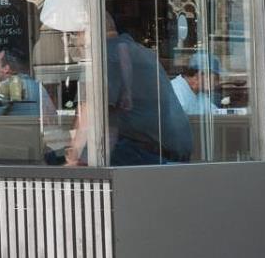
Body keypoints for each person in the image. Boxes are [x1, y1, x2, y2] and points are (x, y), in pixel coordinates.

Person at [66, 15, 192, 167]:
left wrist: (73, 155)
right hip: (173, 151)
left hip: (146, 154)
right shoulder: (140, 51)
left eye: (75, 34)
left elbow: (88, 112)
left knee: (53, 163)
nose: (73, 42)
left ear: (87, 32)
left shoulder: (104, 55)